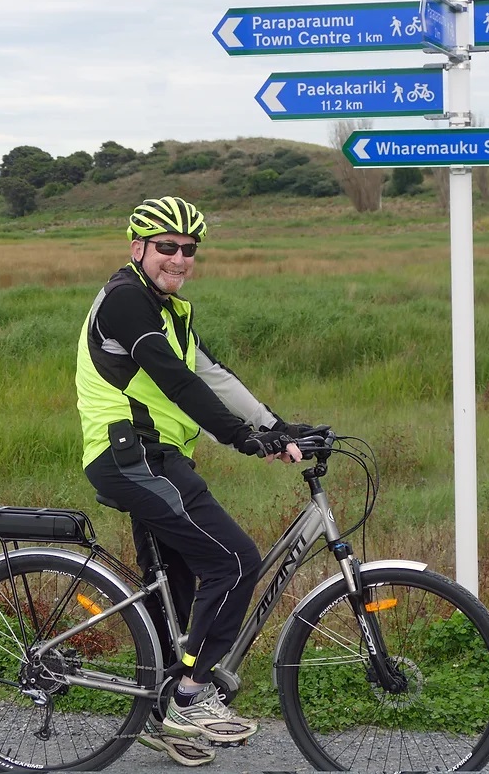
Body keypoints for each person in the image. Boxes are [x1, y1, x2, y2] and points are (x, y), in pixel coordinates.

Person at [75, 196, 306, 767]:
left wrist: (277, 427)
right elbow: (177, 382)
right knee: (233, 561)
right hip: (131, 454)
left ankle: (158, 709)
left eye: (188, 250)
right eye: (166, 248)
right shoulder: (127, 301)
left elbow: (213, 375)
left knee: (178, 590)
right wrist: (242, 438)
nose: (178, 259)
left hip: (157, 457)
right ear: (138, 250)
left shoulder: (171, 310)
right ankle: (191, 693)